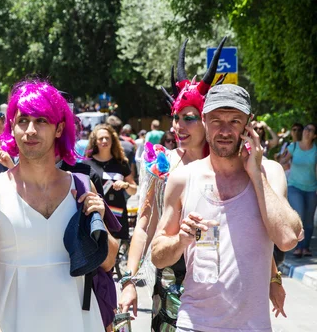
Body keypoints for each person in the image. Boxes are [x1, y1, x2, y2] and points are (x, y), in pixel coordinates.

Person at [119, 39, 287, 329]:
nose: (178, 126)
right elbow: (145, 225)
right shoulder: (164, 165)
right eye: (175, 117)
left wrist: (273, 278)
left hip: (224, 287)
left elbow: (255, 229)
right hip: (173, 279)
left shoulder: (234, 164)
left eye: (189, 118)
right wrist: (129, 280)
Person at [0, 79, 118, 331]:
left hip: (74, 320)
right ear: (12, 127)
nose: (30, 130)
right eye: (22, 120)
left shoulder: (81, 187)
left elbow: (108, 261)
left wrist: (99, 217)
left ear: (59, 129)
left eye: (41, 121)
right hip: (8, 320)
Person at [151, 84, 302, 331]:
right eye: (216, 120)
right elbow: (158, 257)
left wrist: (255, 173)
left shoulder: (269, 172)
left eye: (234, 121)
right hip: (194, 324)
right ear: (204, 120)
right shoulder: (183, 179)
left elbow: (287, 238)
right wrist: (180, 240)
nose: (224, 130)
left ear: (248, 124)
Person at [84, 124, 138, 247]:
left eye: (107, 138)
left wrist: (125, 185)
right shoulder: (87, 164)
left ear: (113, 140)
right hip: (94, 214)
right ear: (95, 142)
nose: (104, 141)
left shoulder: (121, 163)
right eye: (101, 138)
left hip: (116, 215)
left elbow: (134, 190)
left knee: (113, 257)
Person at [280, 122, 317, 258]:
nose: (307, 131)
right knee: (299, 214)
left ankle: (305, 247)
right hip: (295, 186)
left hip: (311, 188)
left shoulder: (315, 150)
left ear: (314, 135)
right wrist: (284, 164)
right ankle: (298, 246)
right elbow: (282, 161)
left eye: (311, 130)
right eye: (306, 128)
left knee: (308, 220)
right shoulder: (293, 147)